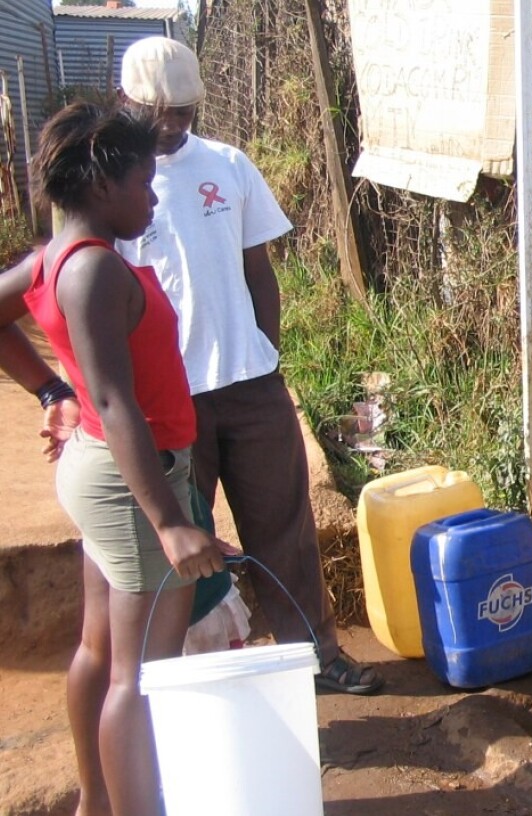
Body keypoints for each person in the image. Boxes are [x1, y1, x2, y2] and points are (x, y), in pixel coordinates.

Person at [115, 36, 382, 694]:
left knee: (284, 529)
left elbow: (258, 271)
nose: (174, 124)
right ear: (126, 101)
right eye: (161, 112)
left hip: (251, 387)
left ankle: (317, 656)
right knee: (180, 542)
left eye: (185, 111)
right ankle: (182, 684)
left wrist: (264, 350)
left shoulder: (227, 166)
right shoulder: (115, 187)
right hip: (169, 400)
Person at [0, 101, 231, 815]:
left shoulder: (51, 259)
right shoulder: (94, 272)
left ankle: (95, 802)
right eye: (143, 181)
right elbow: (118, 400)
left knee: (100, 650)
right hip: (132, 482)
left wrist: (50, 391)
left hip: (98, 466)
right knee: (140, 674)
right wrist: (170, 522)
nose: (153, 196)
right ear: (103, 186)